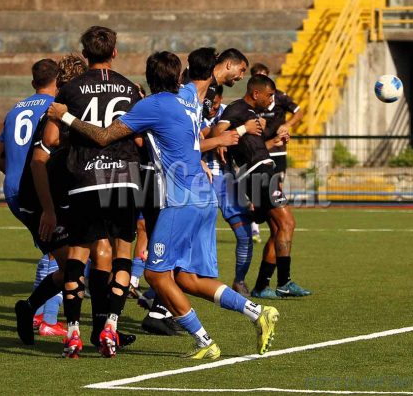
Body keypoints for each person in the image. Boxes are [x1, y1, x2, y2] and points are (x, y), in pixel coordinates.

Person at [47, 50, 280, 360]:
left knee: (156, 276)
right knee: (187, 278)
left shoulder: (153, 105)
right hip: (204, 196)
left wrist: (65, 116)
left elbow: (103, 136)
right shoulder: (189, 97)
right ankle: (258, 312)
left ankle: (204, 341)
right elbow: (211, 77)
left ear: (150, 76)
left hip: (180, 198)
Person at [52, 26, 142, 358]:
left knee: (78, 255)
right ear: (114, 52)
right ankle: (110, 327)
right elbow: (138, 138)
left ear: (84, 53)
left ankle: (73, 333)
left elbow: (52, 139)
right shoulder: (131, 88)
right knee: (122, 253)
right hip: (124, 177)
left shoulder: (70, 89)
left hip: (85, 178)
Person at [214, 74, 311, 299]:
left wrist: (274, 142)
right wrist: (243, 129)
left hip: (262, 171)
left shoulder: (251, 114)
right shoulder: (237, 109)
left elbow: (251, 147)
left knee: (278, 229)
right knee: (288, 222)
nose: (271, 100)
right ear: (256, 93)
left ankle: (261, 286)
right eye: (269, 95)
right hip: (257, 174)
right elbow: (216, 133)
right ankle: (284, 282)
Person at [0, 58, 69, 338]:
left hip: (13, 190)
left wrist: (17, 179)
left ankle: (37, 314)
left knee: (54, 249)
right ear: (58, 80)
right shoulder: (54, 108)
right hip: (38, 189)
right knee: (62, 254)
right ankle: (45, 318)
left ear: (33, 82)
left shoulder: (15, 110)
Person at [200, 83, 260, 296]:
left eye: (216, 105)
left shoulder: (229, 112)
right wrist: (224, 138)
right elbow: (206, 136)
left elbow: (253, 133)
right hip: (199, 179)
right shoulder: (193, 111)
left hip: (226, 180)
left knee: (245, 234)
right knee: (189, 236)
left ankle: (239, 281)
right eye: (210, 105)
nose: (212, 109)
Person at [248, 63, 304, 244]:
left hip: (277, 151)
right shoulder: (250, 101)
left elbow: (299, 112)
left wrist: (287, 125)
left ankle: (275, 224)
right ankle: (255, 227)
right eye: (257, 76)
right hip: (258, 151)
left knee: (277, 187)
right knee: (257, 189)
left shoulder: (280, 97)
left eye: (264, 75)